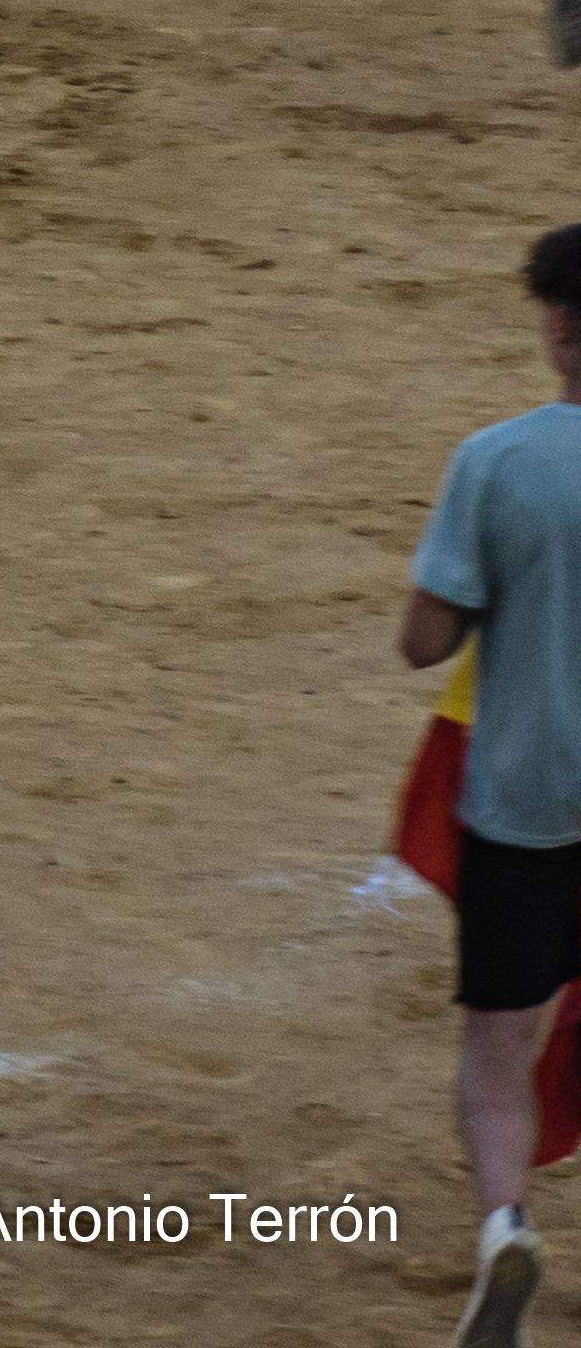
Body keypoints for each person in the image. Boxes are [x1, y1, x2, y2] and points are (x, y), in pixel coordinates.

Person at [400, 228, 581, 1348]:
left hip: (527, 803)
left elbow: (423, 639)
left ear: (559, 327)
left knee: (499, 1050)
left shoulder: (500, 462)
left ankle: (505, 1227)